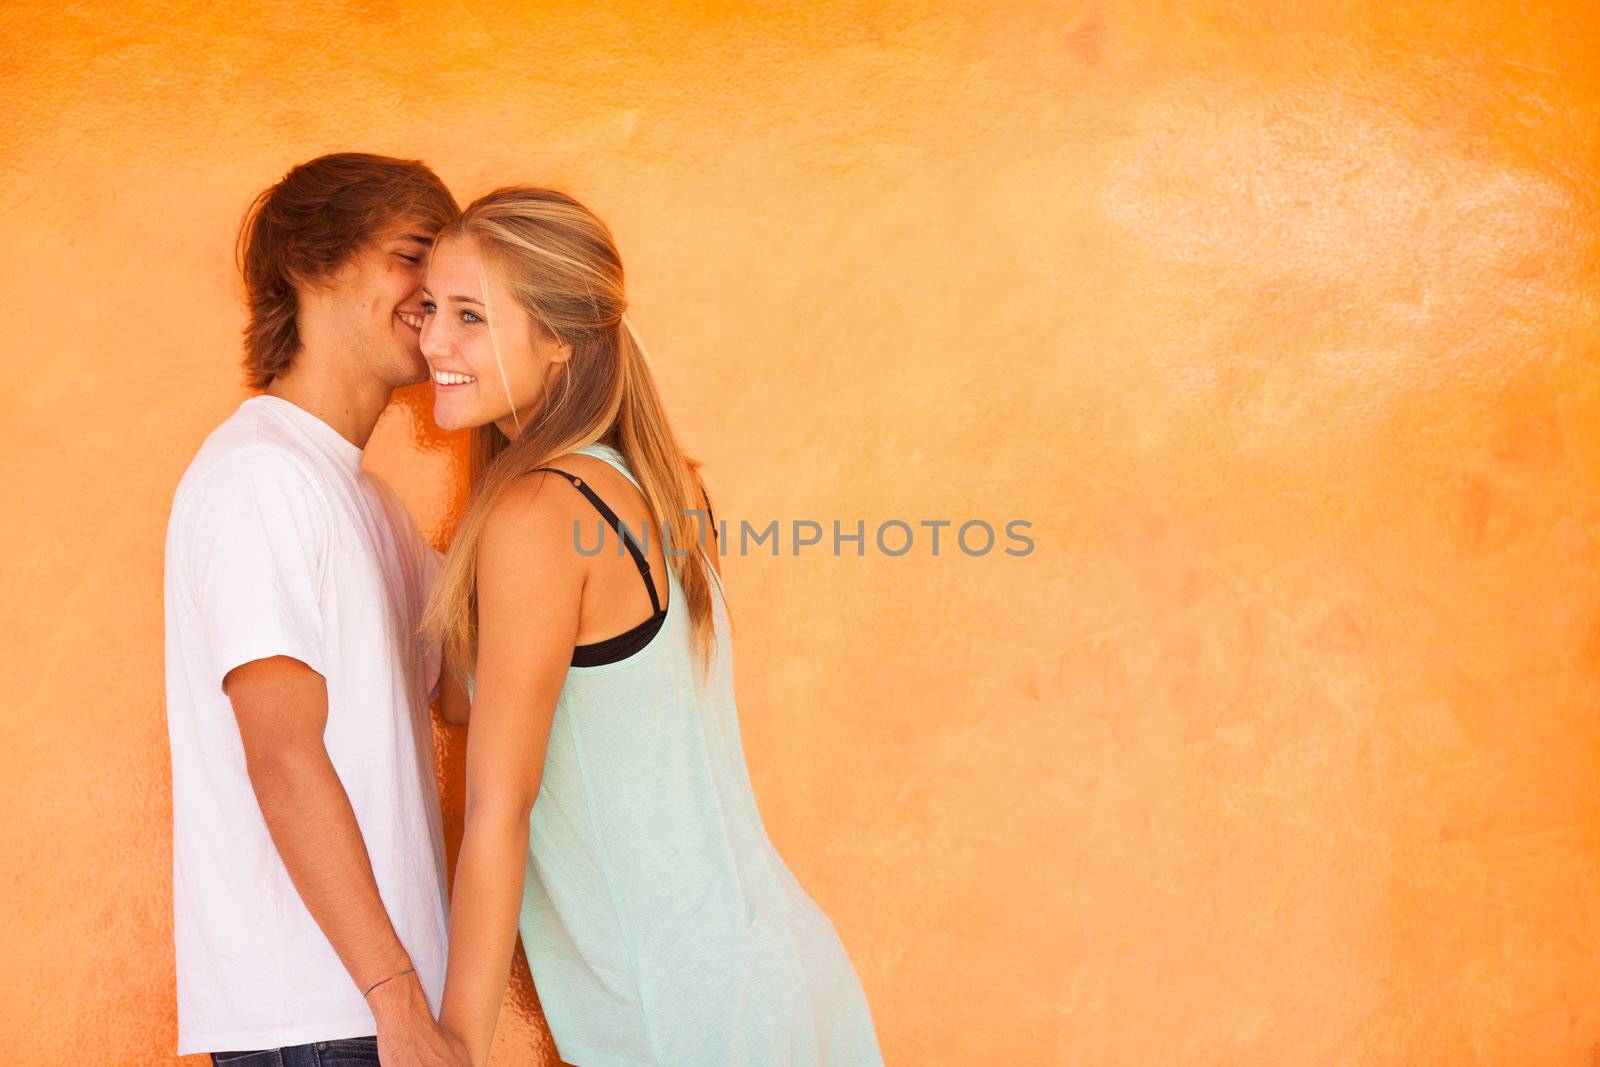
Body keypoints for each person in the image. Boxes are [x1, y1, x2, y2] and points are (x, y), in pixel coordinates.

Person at [416, 186, 886, 1066]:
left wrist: (455, 1043)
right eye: (430, 309)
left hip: (684, 1010)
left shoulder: (541, 513)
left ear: (558, 340)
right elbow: (465, 700)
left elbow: (499, 804)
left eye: (470, 317)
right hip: (768, 969)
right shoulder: (653, 488)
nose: (433, 342)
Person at [162, 152, 470, 1067]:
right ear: (312, 261)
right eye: (415, 256)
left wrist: (496, 395)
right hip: (327, 1016)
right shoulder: (260, 474)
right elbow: (283, 754)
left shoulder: (369, 503)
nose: (438, 291)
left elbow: (465, 692)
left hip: (373, 1013)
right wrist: (400, 1001)